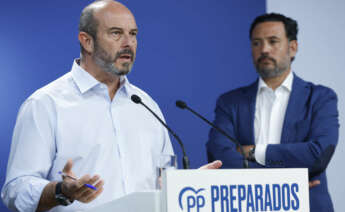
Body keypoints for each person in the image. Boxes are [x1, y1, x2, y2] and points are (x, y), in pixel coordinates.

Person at [1, 1, 222, 211]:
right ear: (87, 41)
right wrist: (61, 190)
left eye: (133, 34)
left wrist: (189, 185)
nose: (128, 43)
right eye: (116, 33)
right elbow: (15, 190)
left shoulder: (145, 104)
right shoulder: (45, 104)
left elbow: (161, 183)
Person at [206, 13, 338, 212]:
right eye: (257, 43)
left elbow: (317, 155)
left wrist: (254, 152)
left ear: (292, 48)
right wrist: (285, 183)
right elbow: (219, 157)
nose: (264, 49)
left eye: (273, 41)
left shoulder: (320, 98)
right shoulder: (230, 102)